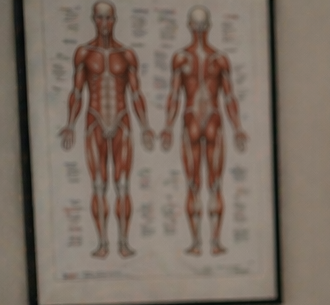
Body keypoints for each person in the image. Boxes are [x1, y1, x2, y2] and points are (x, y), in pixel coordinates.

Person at [58, 1, 154, 259]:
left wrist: (145, 125)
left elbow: (136, 93)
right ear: (93, 19)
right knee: (99, 185)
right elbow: (77, 92)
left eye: (108, 18)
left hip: (122, 121)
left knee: (122, 186)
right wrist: (70, 124)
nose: (104, 23)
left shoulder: (127, 54)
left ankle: (123, 242)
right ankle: (102, 243)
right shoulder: (84, 53)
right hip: (95, 121)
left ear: (115, 20)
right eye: (100, 18)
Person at [160, 5, 249, 256]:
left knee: (210, 184)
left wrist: (238, 127)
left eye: (201, 26)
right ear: (191, 26)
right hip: (201, 120)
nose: (199, 30)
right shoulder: (192, 58)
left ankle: (209, 242)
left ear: (206, 26)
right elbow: (174, 95)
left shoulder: (212, 59)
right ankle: (202, 242)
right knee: (198, 184)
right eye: (196, 26)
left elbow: (229, 96)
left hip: (205, 120)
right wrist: (167, 126)